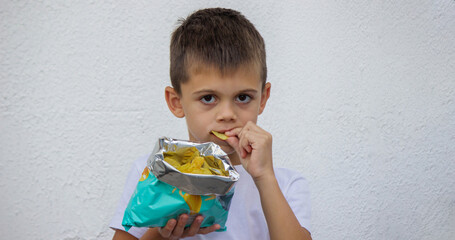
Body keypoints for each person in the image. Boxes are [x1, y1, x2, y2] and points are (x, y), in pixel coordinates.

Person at [110, 8, 312, 240]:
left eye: (243, 97)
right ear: (176, 102)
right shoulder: (152, 172)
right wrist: (161, 231)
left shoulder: (285, 185)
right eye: (208, 98)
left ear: (263, 99)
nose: (227, 114)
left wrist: (264, 177)